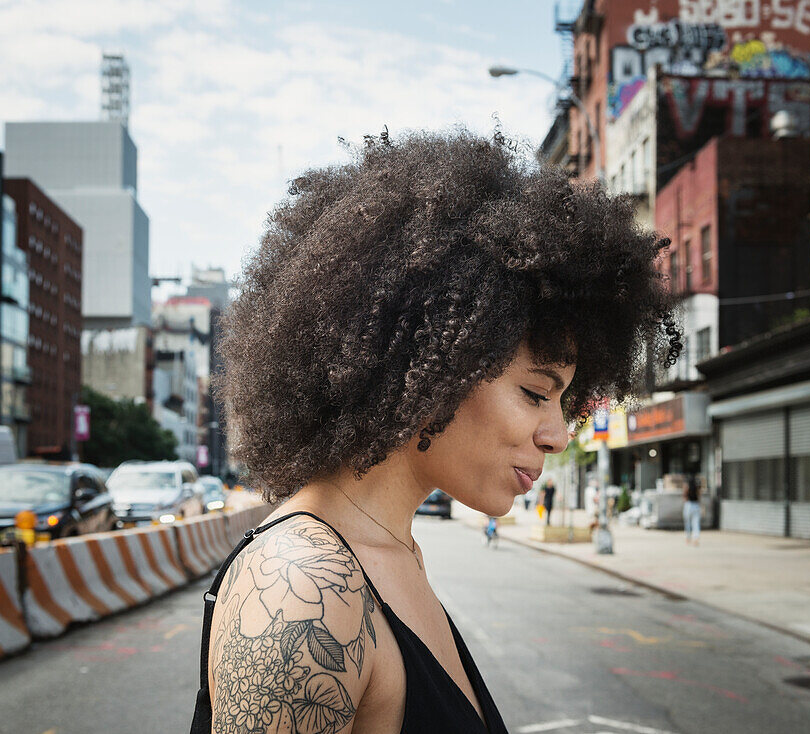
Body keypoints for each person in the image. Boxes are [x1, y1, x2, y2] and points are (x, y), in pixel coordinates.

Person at [190, 130, 679, 734]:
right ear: (435, 362)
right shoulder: (305, 589)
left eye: (563, 400)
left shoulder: (393, 552)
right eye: (534, 393)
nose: (557, 433)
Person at [684, 473, 702, 546]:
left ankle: (688, 538)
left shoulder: (687, 486)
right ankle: (696, 538)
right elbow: (699, 495)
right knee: (696, 523)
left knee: (687, 522)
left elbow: (684, 494)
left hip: (688, 504)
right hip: (696, 504)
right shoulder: (697, 486)